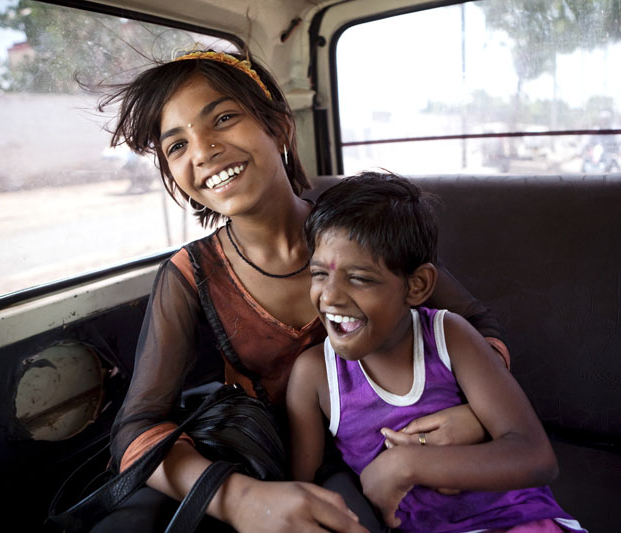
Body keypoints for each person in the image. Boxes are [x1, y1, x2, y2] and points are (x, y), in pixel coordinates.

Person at [98, 46, 510, 532]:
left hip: (385, 443)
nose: (204, 150)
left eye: (223, 118)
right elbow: (136, 430)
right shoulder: (189, 275)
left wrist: (475, 416)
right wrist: (238, 498)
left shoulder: (360, 230)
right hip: (269, 461)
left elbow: (480, 328)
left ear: (279, 126)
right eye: (177, 146)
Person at [288, 172, 585, 532]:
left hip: (516, 520)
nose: (330, 296)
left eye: (360, 278)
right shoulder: (314, 374)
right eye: (320, 274)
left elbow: (535, 456)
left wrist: (405, 465)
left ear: (417, 286)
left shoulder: (449, 335)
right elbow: (301, 492)